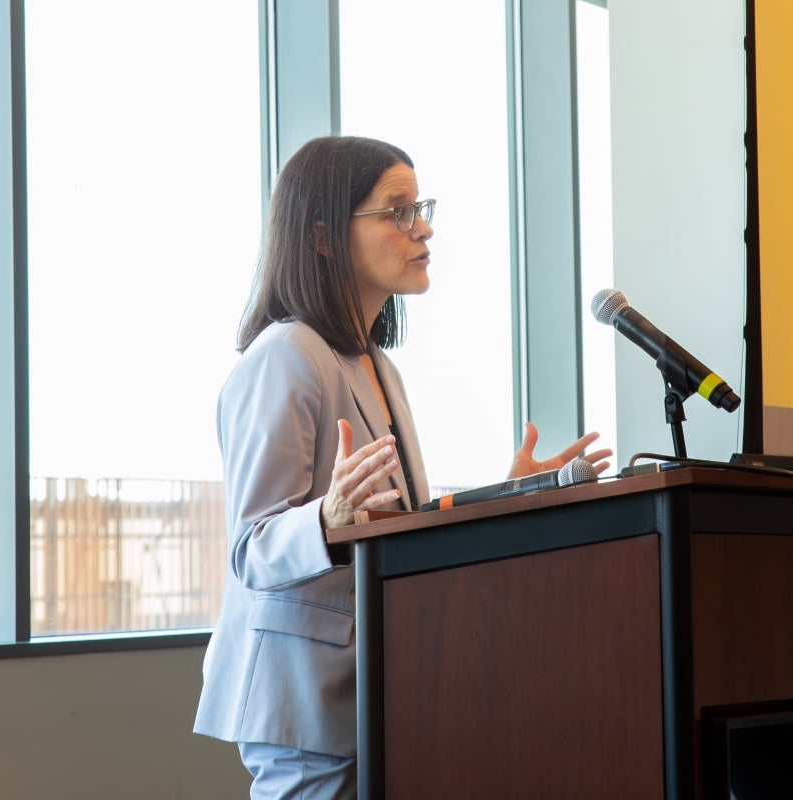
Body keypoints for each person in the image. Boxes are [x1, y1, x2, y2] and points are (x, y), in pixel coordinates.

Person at [193, 135, 611, 799]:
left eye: (421, 208)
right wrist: (326, 520)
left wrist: (516, 492)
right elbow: (253, 547)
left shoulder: (375, 365)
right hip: (305, 702)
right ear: (325, 236)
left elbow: (399, 526)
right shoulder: (285, 357)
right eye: (398, 212)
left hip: (376, 691)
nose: (424, 228)